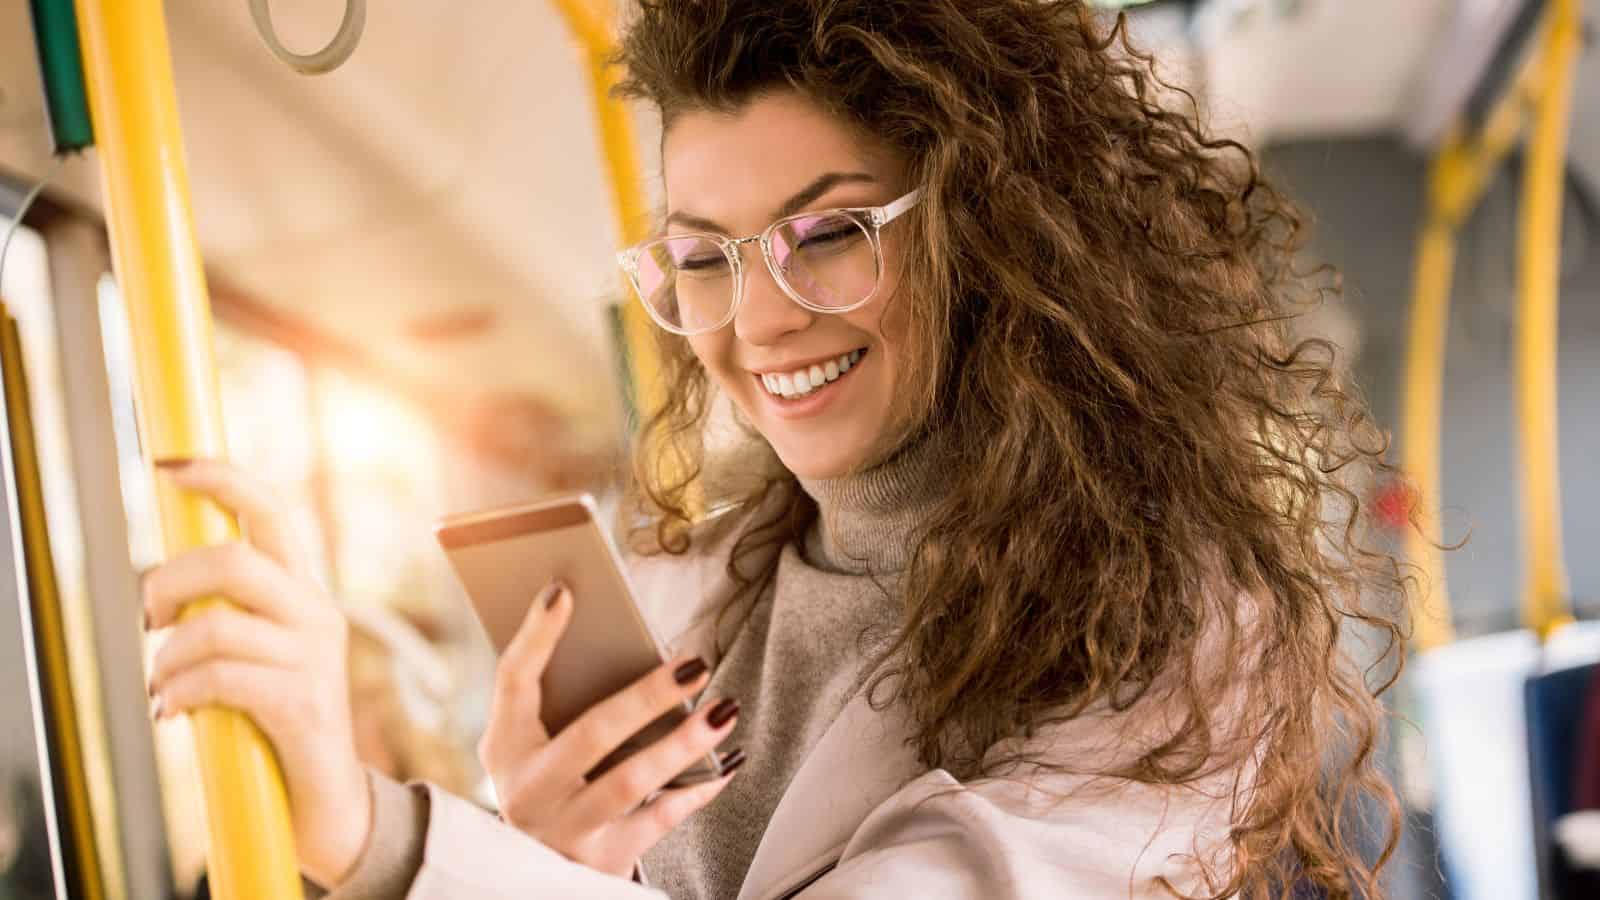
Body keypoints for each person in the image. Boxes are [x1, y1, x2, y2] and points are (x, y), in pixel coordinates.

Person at [140, 1, 1410, 897]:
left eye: (832, 232)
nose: (754, 320)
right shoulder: (685, 591)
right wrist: (542, 849)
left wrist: (382, 838)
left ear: (992, 233)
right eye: (702, 257)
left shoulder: (1171, 636)